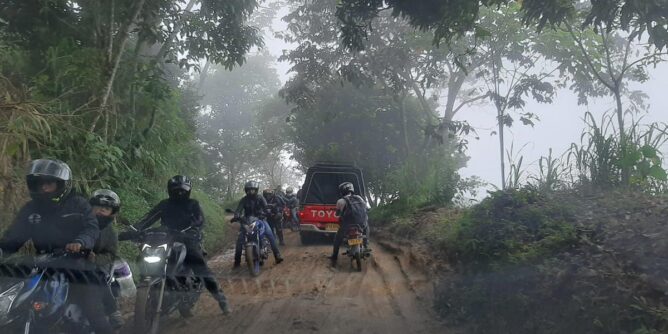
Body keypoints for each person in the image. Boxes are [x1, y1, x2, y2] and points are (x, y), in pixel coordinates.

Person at [0, 159, 113, 334]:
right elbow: (14, 236)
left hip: (75, 260)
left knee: (91, 302)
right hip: (42, 261)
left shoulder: (79, 204)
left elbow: (91, 228)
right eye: (39, 183)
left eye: (49, 183)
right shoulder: (31, 209)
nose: (43, 188)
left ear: (62, 185)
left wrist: (80, 242)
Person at [132, 175, 231, 315]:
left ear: (188, 191)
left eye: (183, 190)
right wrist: (134, 230)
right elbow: (148, 218)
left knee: (201, 270)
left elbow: (199, 220)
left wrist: (194, 229)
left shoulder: (193, 204)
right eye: (176, 190)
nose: (179, 193)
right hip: (166, 239)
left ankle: (222, 300)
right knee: (143, 257)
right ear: (169, 190)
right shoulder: (164, 204)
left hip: (188, 240)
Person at [89, 189, 124, 329]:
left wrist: (95, 259)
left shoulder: (110, 232)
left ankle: (112, 311)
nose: (101, 211)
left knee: (98, 277)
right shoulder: (78, 222)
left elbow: (110, 255)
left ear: (112, 212)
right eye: (97, 206)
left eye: (106, 208)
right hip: (72, 261)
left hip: (98, 265)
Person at [233, 181, 283, 268]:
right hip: (247, 221)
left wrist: (267, 212)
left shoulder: (260, 198)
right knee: (239, 240)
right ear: (246, 191)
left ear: (256, 190)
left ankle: (277, 255)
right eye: (249, 190)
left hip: (261, 219)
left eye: (253, 190)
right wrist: (237, 215)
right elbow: (238, 209)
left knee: (270, 235)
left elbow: (266, 207)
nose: (251, 192)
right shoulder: (244, 200)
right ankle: (237, 262)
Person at [330, 182, 370, 268]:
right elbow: (366, 208)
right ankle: (366, 244)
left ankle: (334, 257)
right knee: (366, 227)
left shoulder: (340, 201)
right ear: (352, 189)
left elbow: (337, 214)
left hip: (347, 225)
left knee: (337, 238)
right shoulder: (359, 198)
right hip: (361, 223)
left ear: (342, 191)